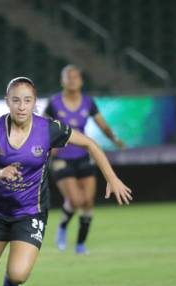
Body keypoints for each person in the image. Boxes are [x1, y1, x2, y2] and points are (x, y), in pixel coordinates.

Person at [0, 76, 132, 286]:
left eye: (27, 100)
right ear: (7, 102)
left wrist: (112, 178)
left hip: (30, 213)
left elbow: (90, 143)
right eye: (16, 100)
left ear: (34, 103)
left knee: (19, 274)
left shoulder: (48, 129)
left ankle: (12, 280)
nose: (22, 106)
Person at [44, 65, 125, 254]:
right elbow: (42, 125)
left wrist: (114, 139)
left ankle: (80, 244)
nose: (72, 80)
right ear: (62, 81)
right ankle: (63, 227)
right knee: (75, 199)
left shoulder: (88, 102)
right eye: (68, 77)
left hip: (82, 156)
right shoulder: (54, 103)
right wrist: (49, 145)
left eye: (75, 77)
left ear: (81, 81)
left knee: (88, 201)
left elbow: (103, 126)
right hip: (61, 158)